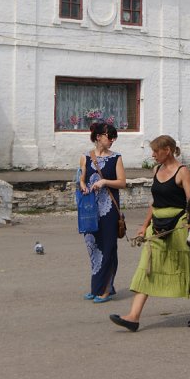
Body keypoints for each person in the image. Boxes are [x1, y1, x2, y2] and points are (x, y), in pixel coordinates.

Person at [109, 135, 190, 332]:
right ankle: (133, 317)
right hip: (157, 226)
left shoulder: (182, 172)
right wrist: (145, 226)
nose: (152, 155)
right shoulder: (156, 170)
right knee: (147, 267)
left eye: (155, 151)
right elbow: (154, 202)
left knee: (187, 267)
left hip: (178, 225)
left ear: (167, 150)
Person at [78, 122, 126, 303]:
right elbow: (81, 179)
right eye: (109, 136)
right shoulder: (86, 157)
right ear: (98, 137)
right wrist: (83, 185)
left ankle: (105, 289)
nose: (112, 140)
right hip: (90, 210)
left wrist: (105, 182)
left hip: (109, 211)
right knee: (93, 247)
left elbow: (122, 182)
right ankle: (96, 286)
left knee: (108, 248)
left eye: (114, 137)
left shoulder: (116, 158)